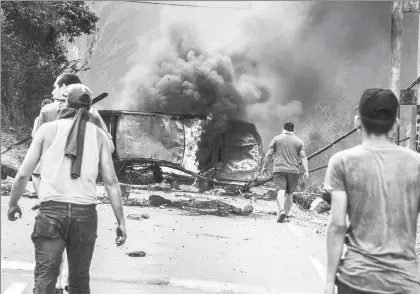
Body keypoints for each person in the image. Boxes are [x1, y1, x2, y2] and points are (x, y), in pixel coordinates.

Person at [7, 84, 127, 294]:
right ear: (90, 107)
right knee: (80, 280)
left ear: (64, 104)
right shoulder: (99, 136)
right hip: (85, 214)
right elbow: (111, 182)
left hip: (51, 212)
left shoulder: (46, 130)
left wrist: (13, 204)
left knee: (46, 276)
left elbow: (23, 175)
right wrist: (121, 221)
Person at [323, 88, 420, 294]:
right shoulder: (417, 164)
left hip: (356, 280)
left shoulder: (342, 162)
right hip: (405, 283)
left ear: (357, 121)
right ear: (395, 124)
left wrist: (329, 282)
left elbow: (337, 225)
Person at [260, 121, 309, 223]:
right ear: (293, 130)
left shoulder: (276, 139)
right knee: (290, 193)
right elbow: (303, 157)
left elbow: (269, 155)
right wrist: (306, 170)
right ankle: (286, 215)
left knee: (281, 191)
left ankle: (281, 211)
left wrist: (264, 167)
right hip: (294, 171)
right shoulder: (299, 141)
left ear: (283, 129)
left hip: (279, 170)